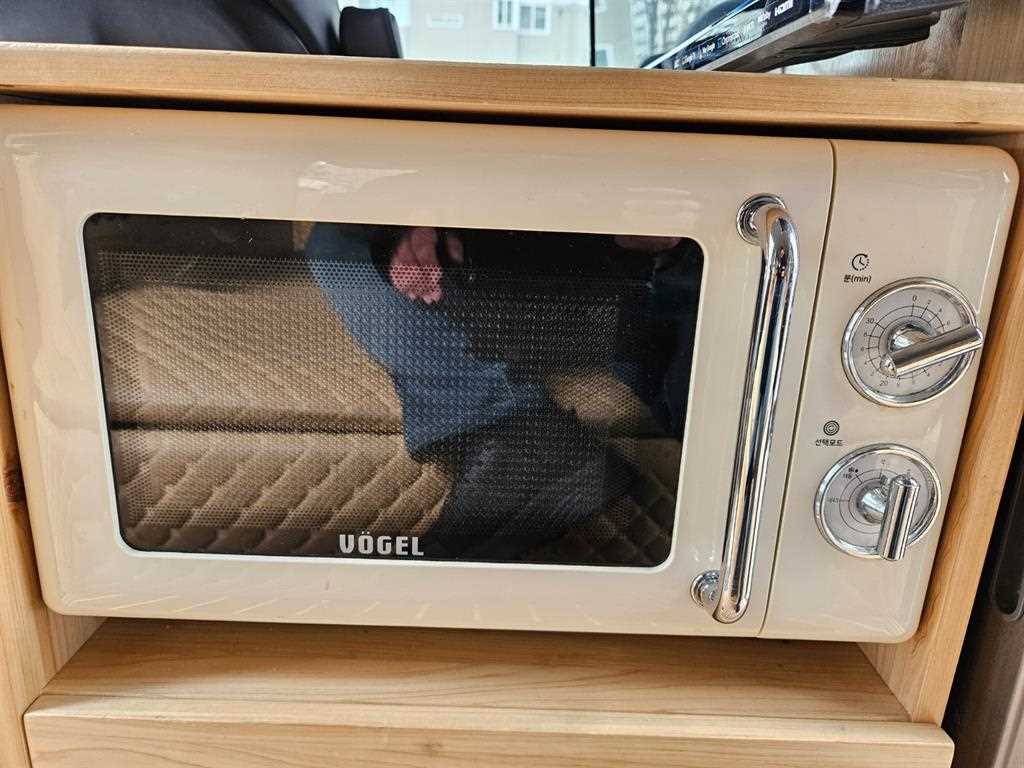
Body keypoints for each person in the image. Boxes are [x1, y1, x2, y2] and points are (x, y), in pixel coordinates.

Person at [305, 223, 699, 561]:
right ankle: (515, 439)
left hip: (685, 271)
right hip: (537, 269)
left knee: (722, 441)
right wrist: (422, 213)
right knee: (342, 235)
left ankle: (521, 446)